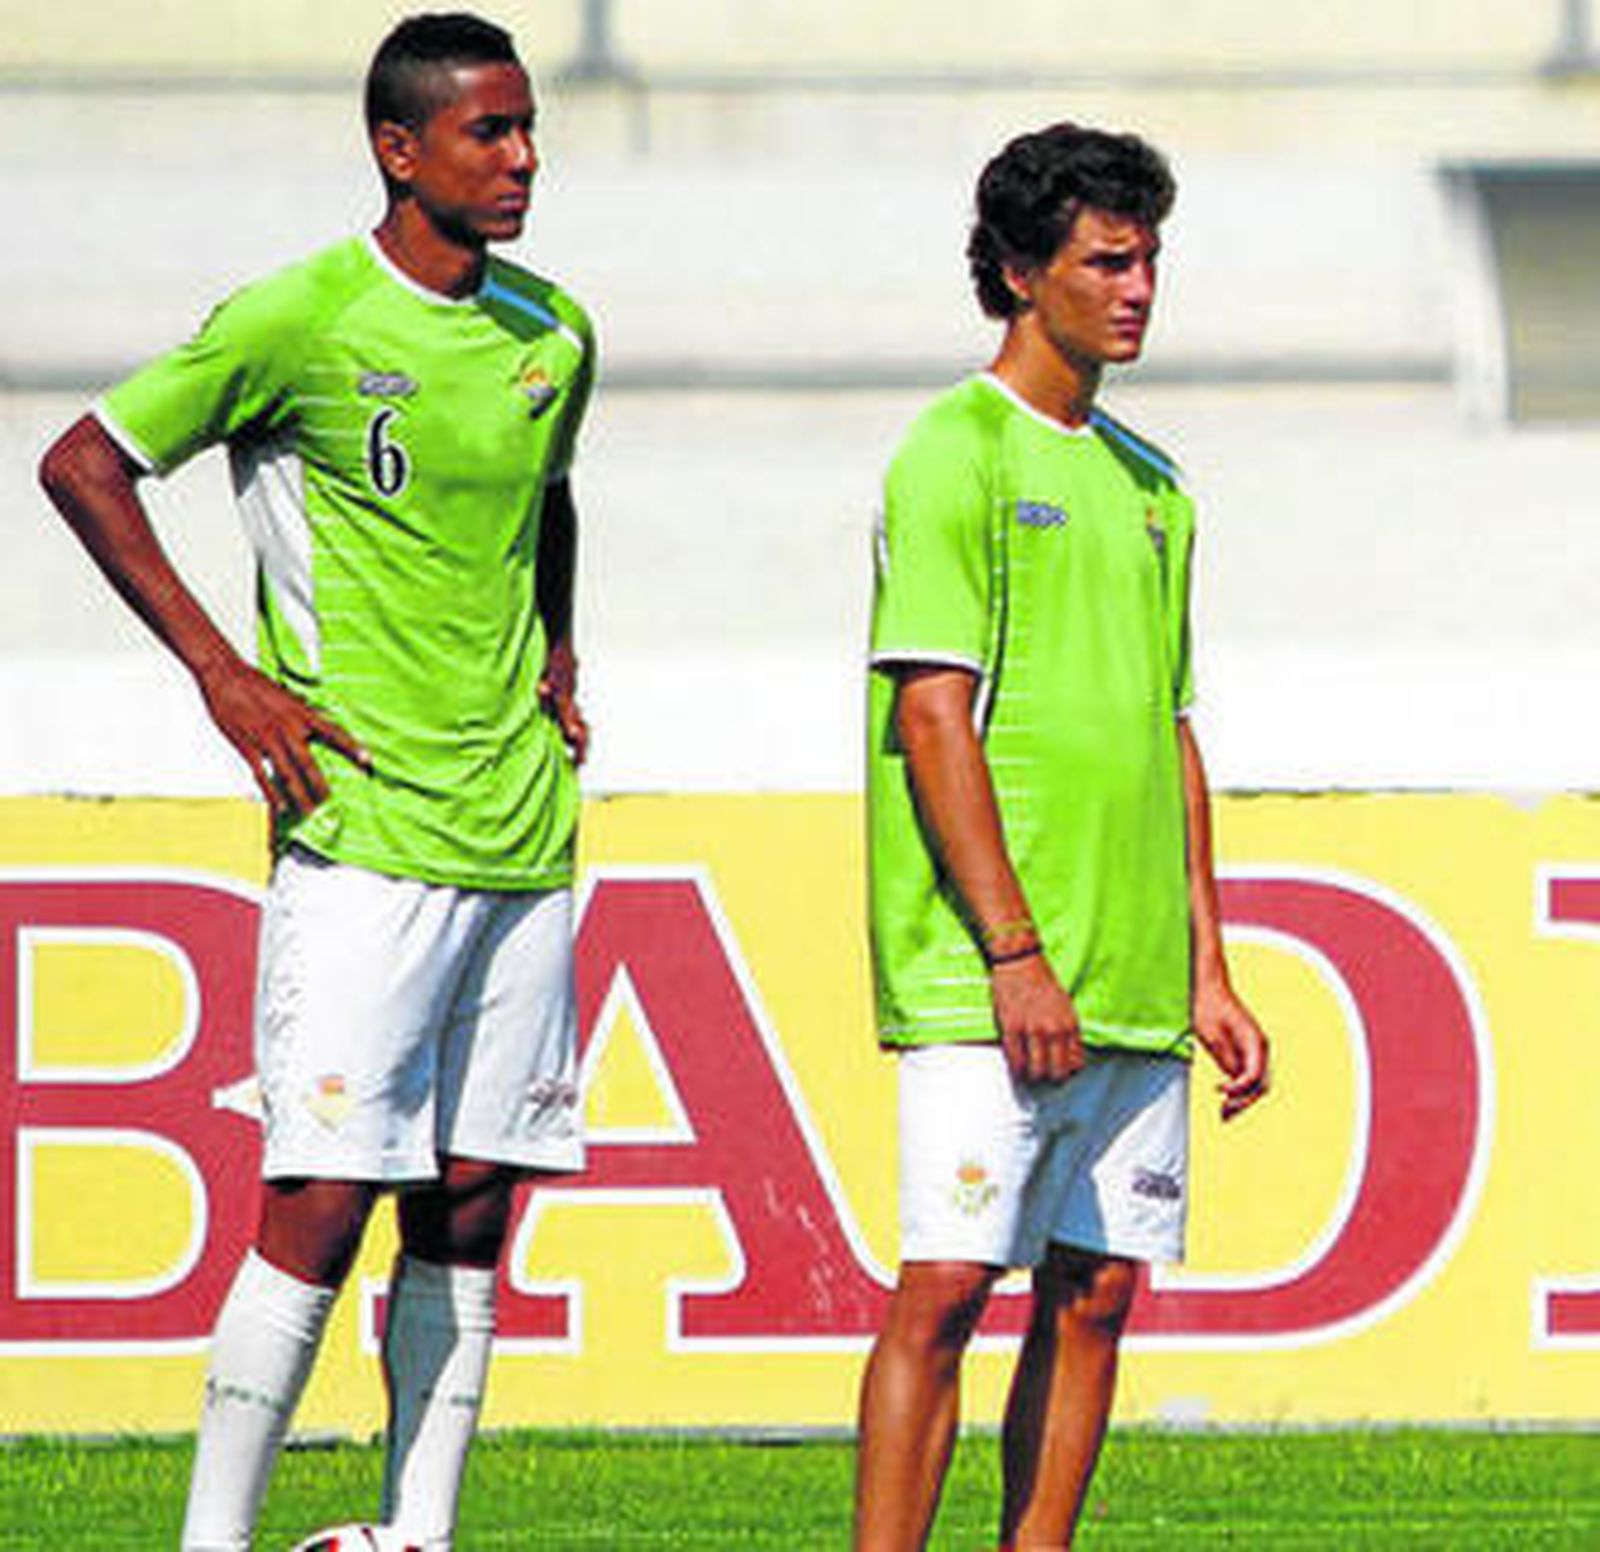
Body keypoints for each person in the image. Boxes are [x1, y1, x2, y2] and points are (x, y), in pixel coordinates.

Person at [38, 13, 595, 1549]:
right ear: (398, 150)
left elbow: (545, 504)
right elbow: (85, 462)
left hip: (521, 834)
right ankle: (214, 1540)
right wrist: (227, 674)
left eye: (529, 125)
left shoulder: (555, 334)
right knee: (324, 1201)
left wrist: (560, 646)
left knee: (475, 1207)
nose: (524, 157)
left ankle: (417, 1534)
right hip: (364, 831)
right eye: (489, 132)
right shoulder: (300, 317)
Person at [854, 123, 1270, 1551]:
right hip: (993, 973)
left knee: (1096, 1294)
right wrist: (1015, 952)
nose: (1140, 286)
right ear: (1023, 273)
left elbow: (1170, 733)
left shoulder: (1156, 486)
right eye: (1109, 260)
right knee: (951, 1287)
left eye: (1151, 257)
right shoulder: (953, 453)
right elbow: (932, 721)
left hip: (1137, 972)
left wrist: (1210, 967)